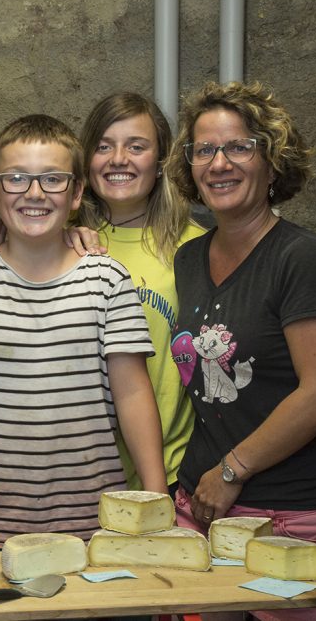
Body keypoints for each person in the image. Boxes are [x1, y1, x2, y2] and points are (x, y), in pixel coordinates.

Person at [0, 114, 167, 548]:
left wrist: (156, 495)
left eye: (53, 179)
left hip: (96, 527)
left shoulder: (107, 280)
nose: (34, 193)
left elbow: (132, 394)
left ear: (76, 195)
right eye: (16, 179)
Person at [166, 81, 316, 621]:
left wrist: (230, 472)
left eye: (239, 147)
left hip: (291, 516)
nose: (219, 162)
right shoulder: (189, 258)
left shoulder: (304, 258)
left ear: (272, 163)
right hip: (199, 508)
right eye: (204, 150)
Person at [78, 93, 206, 493]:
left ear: (163, 159)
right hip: (79, 475)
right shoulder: (59, 240)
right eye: (103, 146)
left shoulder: (196, 249)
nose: (119, 159)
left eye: (136, 146)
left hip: (171, 471)